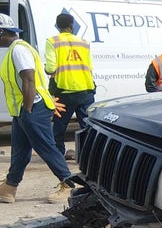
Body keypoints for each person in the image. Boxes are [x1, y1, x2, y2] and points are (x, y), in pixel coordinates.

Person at [0, 13, 75, 204]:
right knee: (19, 150)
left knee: (45, 145)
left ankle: (70, 184)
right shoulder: (15, 50)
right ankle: (9, 187)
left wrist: (28, 110)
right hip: (23, 110)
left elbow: (29, 79)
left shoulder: (18, 50)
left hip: (32, 107)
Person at [45, 12, 96, 161]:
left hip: (64, 91)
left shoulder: (52, 41)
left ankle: (58, 155)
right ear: (71, 26)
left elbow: (50, 68)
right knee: (87, 126)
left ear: (58, 26)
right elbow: (90, 66)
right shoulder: (84, 42)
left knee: (59, 127)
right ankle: (88, 156)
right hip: (86, 90)